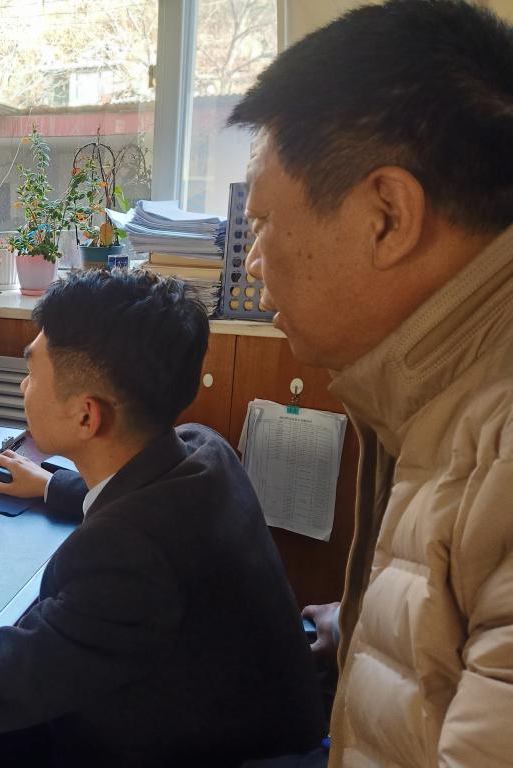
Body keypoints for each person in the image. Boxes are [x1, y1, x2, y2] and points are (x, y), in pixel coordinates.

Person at [0, 269, 324, 767]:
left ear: (87, 417)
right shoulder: (205, 450)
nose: (24, 385)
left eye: (32, 373)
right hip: (257, 727)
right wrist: (53, 484)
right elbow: (147, 495)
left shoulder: (127, 565)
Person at [224, 1, 513, 765]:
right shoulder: (437, 381)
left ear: (387, 215)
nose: (253, 260)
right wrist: (361, 626)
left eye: (263, 221)